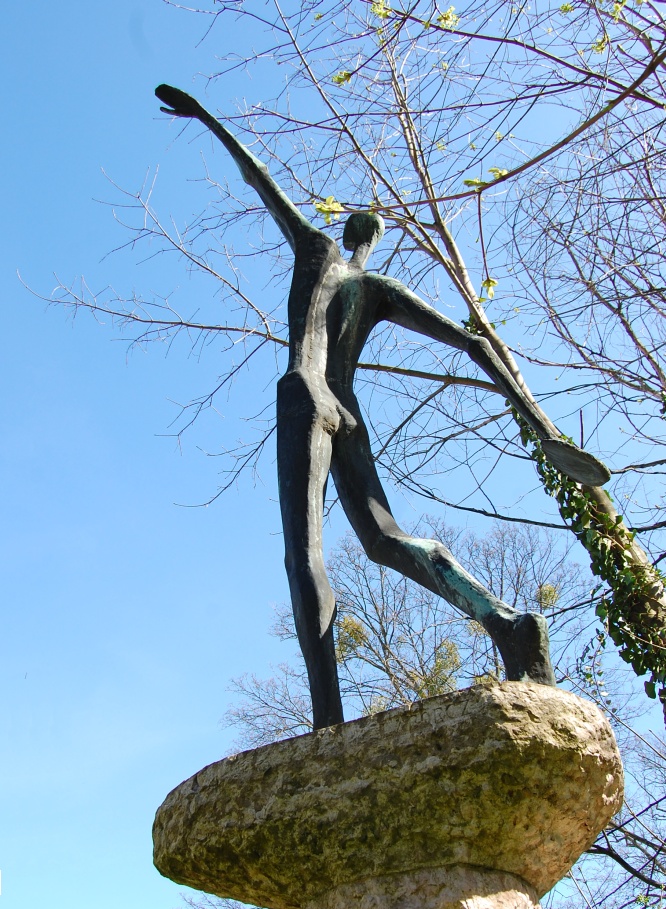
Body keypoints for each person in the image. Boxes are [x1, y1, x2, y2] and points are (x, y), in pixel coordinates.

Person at [156, 85, 611, 729]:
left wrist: (207, 117)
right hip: (350, 412)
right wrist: (537, 421)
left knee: (304, 556)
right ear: (376, 239)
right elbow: (475, 343)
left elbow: (260, 179)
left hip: (306, 393)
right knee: (386, 540)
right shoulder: (379, 287)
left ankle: (328, 724)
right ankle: (507, 624)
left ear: (347, 231)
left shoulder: (315, 249)